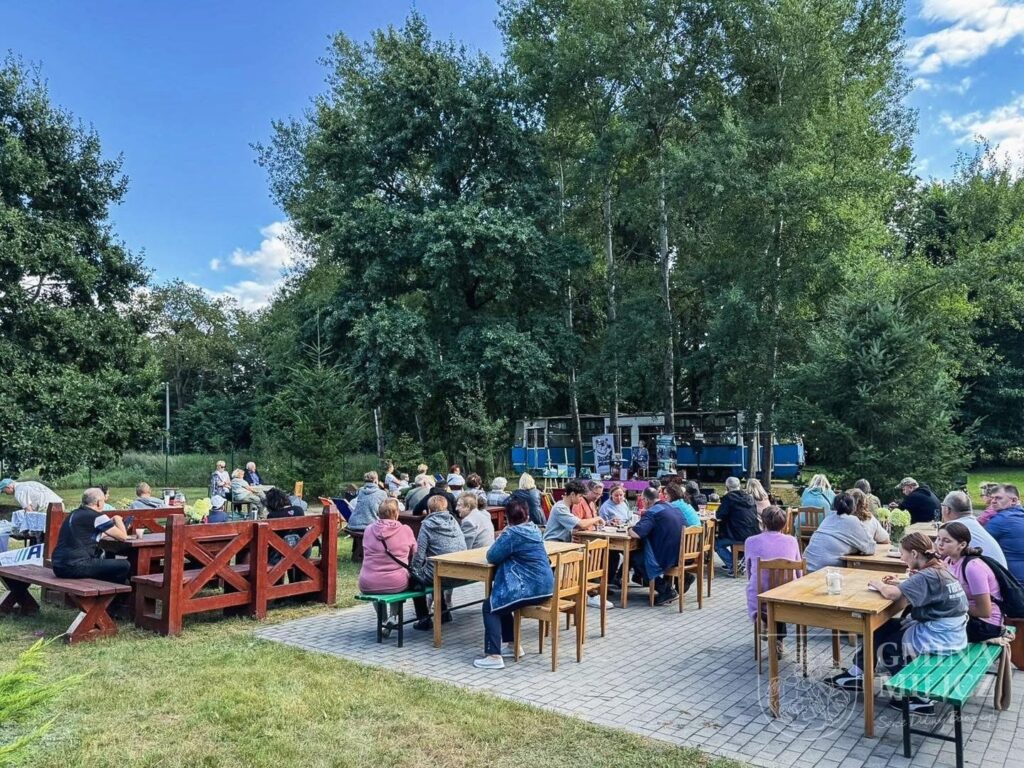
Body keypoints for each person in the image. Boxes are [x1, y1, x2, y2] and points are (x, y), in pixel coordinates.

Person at [827, 533, 967, 715]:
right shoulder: (939, 568)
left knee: (888, 648)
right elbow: (918, 585)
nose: (901, 558)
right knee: (880, 627)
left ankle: (918, 698)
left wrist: (878, 584)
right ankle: (857, 673)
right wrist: (902, 583)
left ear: (914, 554)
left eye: (903, 554)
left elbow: (891, 594)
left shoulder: (927, 575)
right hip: (951, 630)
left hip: (941, 635)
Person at [473, 497, 554, 669]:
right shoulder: (534, 529)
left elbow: (492, 556)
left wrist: (503, 534)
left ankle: (494, 656)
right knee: (500, 600)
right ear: (527, 515)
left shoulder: (512, 534)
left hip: (529, 587)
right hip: (546, 587)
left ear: (508, 517)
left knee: (490, 606)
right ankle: (513, 645)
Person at [745, 506, 802, 658]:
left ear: (763, 522)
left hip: (760, 593)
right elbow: (799, 570)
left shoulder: (751, 541)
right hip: (786, 594)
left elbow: (749, 570)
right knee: (780, 591)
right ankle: (778, 641)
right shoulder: (792, 541)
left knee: (760, 592)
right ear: (784, 524)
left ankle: (762, 620)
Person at [936, 522, 1004, 643]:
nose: (940, 544)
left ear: (962, 544)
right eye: (938, 538)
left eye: (947, 541)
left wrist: (950, 606)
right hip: (965, 616)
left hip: (985, 625)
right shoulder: (948, 561)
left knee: (926, 627)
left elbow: (984, 611)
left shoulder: (973, 568)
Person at [358, 498, 418, 633]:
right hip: (396, 582)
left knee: (377, 586)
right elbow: (415, 552)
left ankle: (383, 620)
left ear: (378, 513)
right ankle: (392, 617)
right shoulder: (405, 530)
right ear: (396, 513)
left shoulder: (368, 530)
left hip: (368, 582)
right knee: (399, 580)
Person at [409, 495, 467, 630]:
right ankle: (444, 613)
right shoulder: (454, 521)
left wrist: (414, 570)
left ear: (429, 510)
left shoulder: (427, 525)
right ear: (446, 507)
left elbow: (419, 554)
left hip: (441, 573)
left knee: (415, 579)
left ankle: (424, 619)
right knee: (435, 572)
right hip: (461, 572)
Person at [51, 488, 131, 583]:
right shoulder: (98, 516)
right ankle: (114, 591)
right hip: (76, 565)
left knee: (106, 564)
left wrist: (106, 529)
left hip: (58, 566)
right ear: (99, 502)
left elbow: (89, 536)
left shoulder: (74, 514)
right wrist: (118, 519)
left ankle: (108, 588)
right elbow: (123, 537)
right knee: (124, 565)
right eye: (104, 501)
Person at [629, 487, 687, 604]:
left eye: (642, 500)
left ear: (646, 500)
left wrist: (629, 528)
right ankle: (681, 578)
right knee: (639, 553)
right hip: (682, 553)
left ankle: (665, 590)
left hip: (666, 556)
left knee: (636, 557)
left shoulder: (652, 512)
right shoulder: (674, 507)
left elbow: (637, 533)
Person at [803, 493, 877, 572]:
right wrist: (856, 548)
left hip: (806, 567)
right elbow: (870, 548)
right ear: (853, 507)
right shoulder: (852, 521)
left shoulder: (828, 517)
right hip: (825, 571)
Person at [940, 491, 1006, 567]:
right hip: (998, 571)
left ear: (947, 509)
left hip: (982, 572)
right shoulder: (973, 524)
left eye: (942, 505)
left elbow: (938, 555)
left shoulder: (953, 528)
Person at [715, 477, 761, 575]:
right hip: (753, 533)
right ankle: (738, 562)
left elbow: (719, 515)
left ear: (727, 487)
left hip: (737, 534)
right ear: (739, 486)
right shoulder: (749, 497)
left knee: (717, 544)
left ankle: (733, 565)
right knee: (730, 537)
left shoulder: (728, 498)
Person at [985, 484, 1024, 584]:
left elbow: (976, 541)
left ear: (1014, 500)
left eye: (998, 498)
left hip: (1014, 582)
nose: (993, 501)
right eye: (992, 498)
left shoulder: (1001, 520)